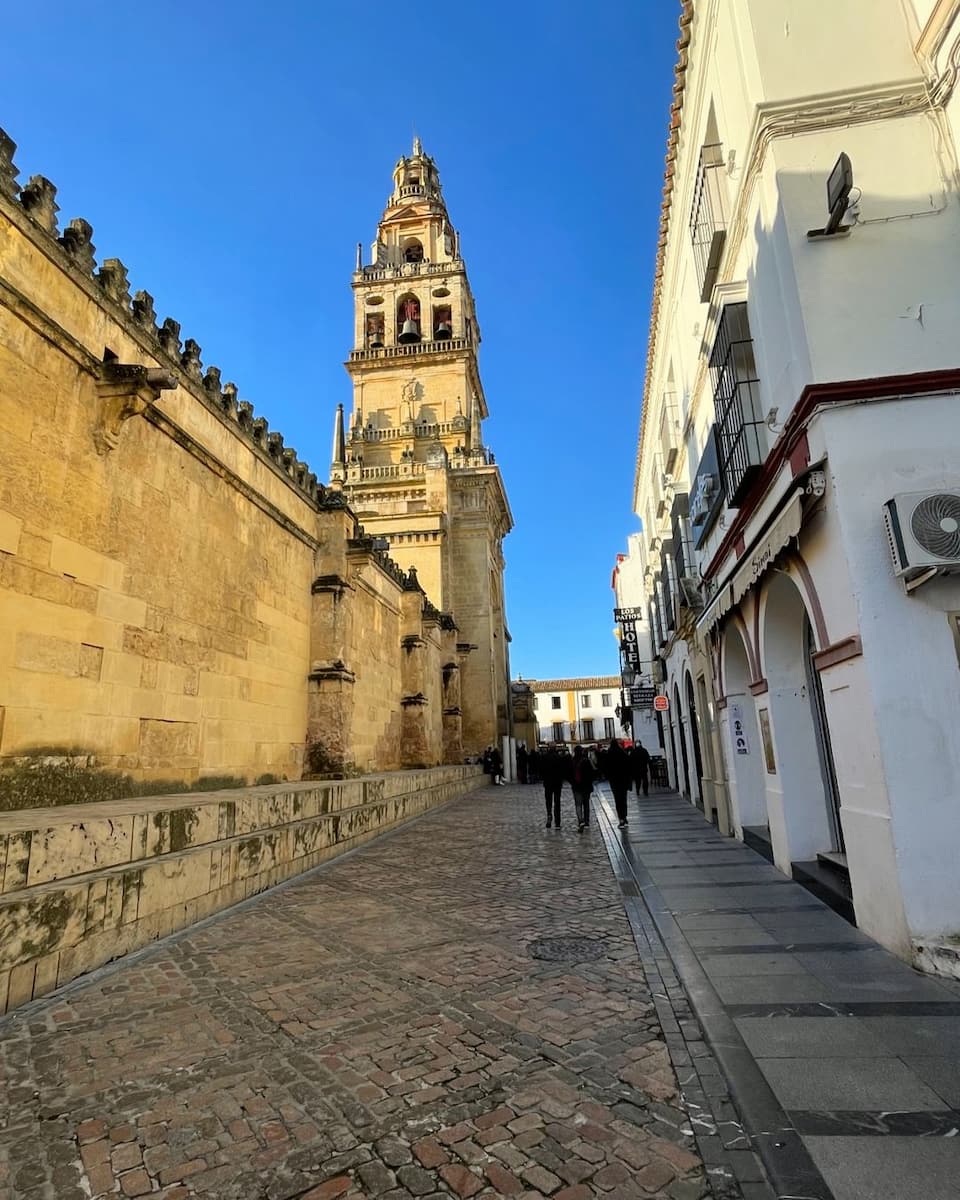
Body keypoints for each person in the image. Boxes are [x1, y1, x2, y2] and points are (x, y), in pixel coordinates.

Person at [605, 738, 632, 828]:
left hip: (614, 781)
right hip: (623, 780)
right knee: (623, 799)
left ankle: (621, 819)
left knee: (617, 800)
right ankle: (624, 817)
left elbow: (607, 768)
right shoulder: (622, 753)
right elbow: (628, 765)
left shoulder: (609, 754)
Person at [569, 745, 595, 833]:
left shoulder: (572, 761)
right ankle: (586, 822)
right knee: (586, 804)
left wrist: (572, 782)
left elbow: (569, 774)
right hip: (586, 786)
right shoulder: (586, 761)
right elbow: (592, 773)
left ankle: (580, 820)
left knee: (578, 804)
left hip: (576, 786)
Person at [541, 747, 564, 828]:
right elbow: (562, 771)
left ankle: (549, 815)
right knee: (557, 802)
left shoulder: (544, 757)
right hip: (557, 783)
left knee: (548, 801)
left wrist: (543, 778)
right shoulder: (559, 758)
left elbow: (542, 770)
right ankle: (557, 822)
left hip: (548, 783)